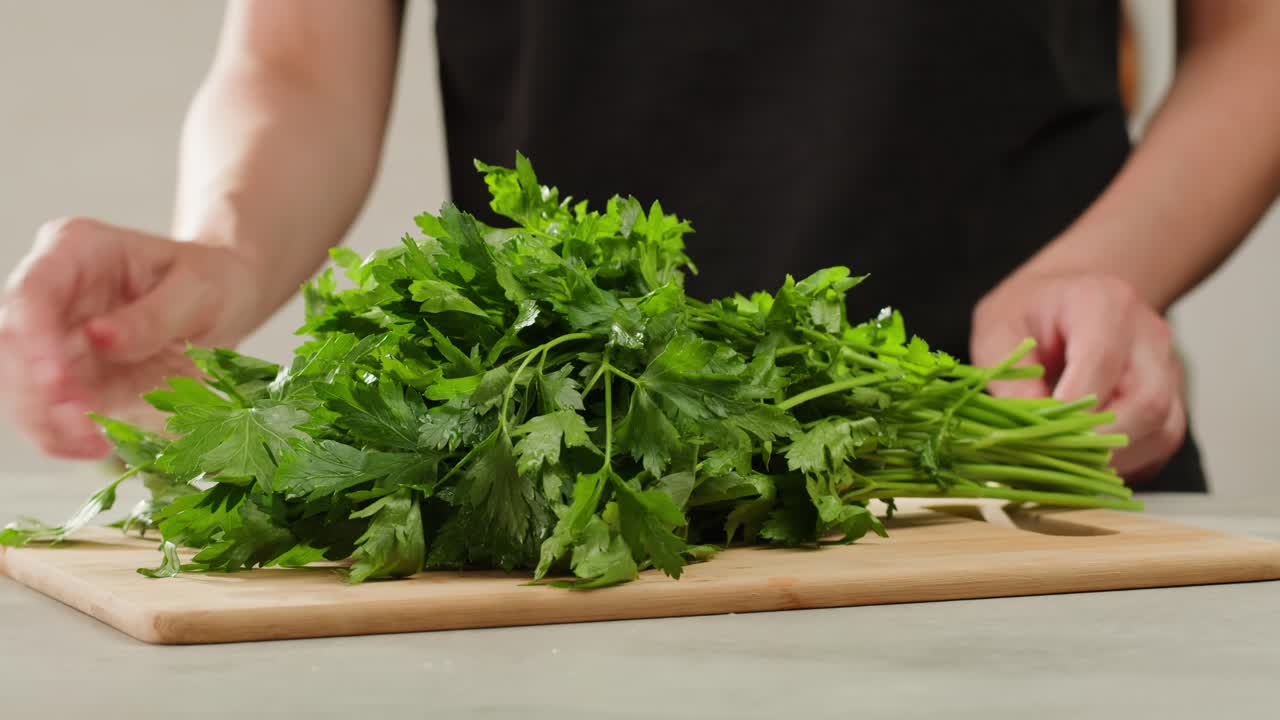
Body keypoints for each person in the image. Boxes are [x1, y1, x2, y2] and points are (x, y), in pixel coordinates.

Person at [2, 1, 1277, 492]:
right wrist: (222, 252)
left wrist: (1103, 268)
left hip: (1016, 451)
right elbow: (297, 58)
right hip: (562, 489)